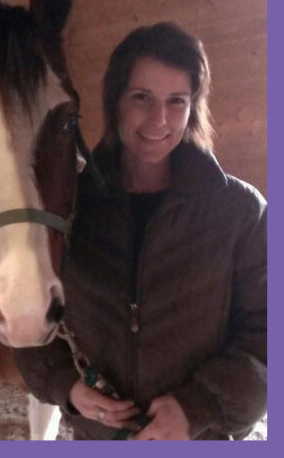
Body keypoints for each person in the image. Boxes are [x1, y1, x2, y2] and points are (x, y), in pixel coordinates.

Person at [15, 22, 267, 440]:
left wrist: (197, 407)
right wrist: (67, 385)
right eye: (141, 97)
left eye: (176, 101)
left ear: (193, 108)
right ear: (115, 101)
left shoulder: (241, 212)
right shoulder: (66, 208)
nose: (159, 119)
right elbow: (28, 311)